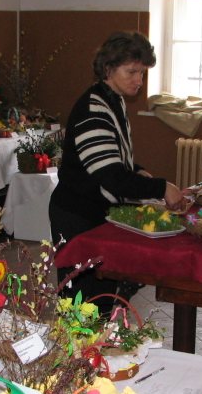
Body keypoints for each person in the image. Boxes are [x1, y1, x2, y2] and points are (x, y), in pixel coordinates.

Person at [49, 31, 186, 312]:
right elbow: (111, 178)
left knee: (100, 300)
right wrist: (162, 188)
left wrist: (139, 171)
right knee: (82, 306)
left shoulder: (113, 100)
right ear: (108, 68)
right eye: (131, 72)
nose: (139, 80)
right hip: (78, 217)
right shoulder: (93, 109)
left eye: (142, 72)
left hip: (95, 214)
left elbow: (113, 158)